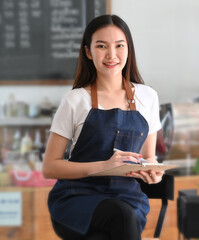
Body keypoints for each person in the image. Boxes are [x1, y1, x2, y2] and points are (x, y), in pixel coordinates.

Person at [42, 14, 163, 240]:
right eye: (101, 46)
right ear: (88, 52)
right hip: (76, 199)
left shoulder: (149, 97)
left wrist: (153, 172)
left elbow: (149, 157)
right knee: (120, 216)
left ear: (129, 49)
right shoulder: (75, 100)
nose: (111, 55)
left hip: (127, 198)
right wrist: (104, 166)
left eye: (119, 46)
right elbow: (50, 167)